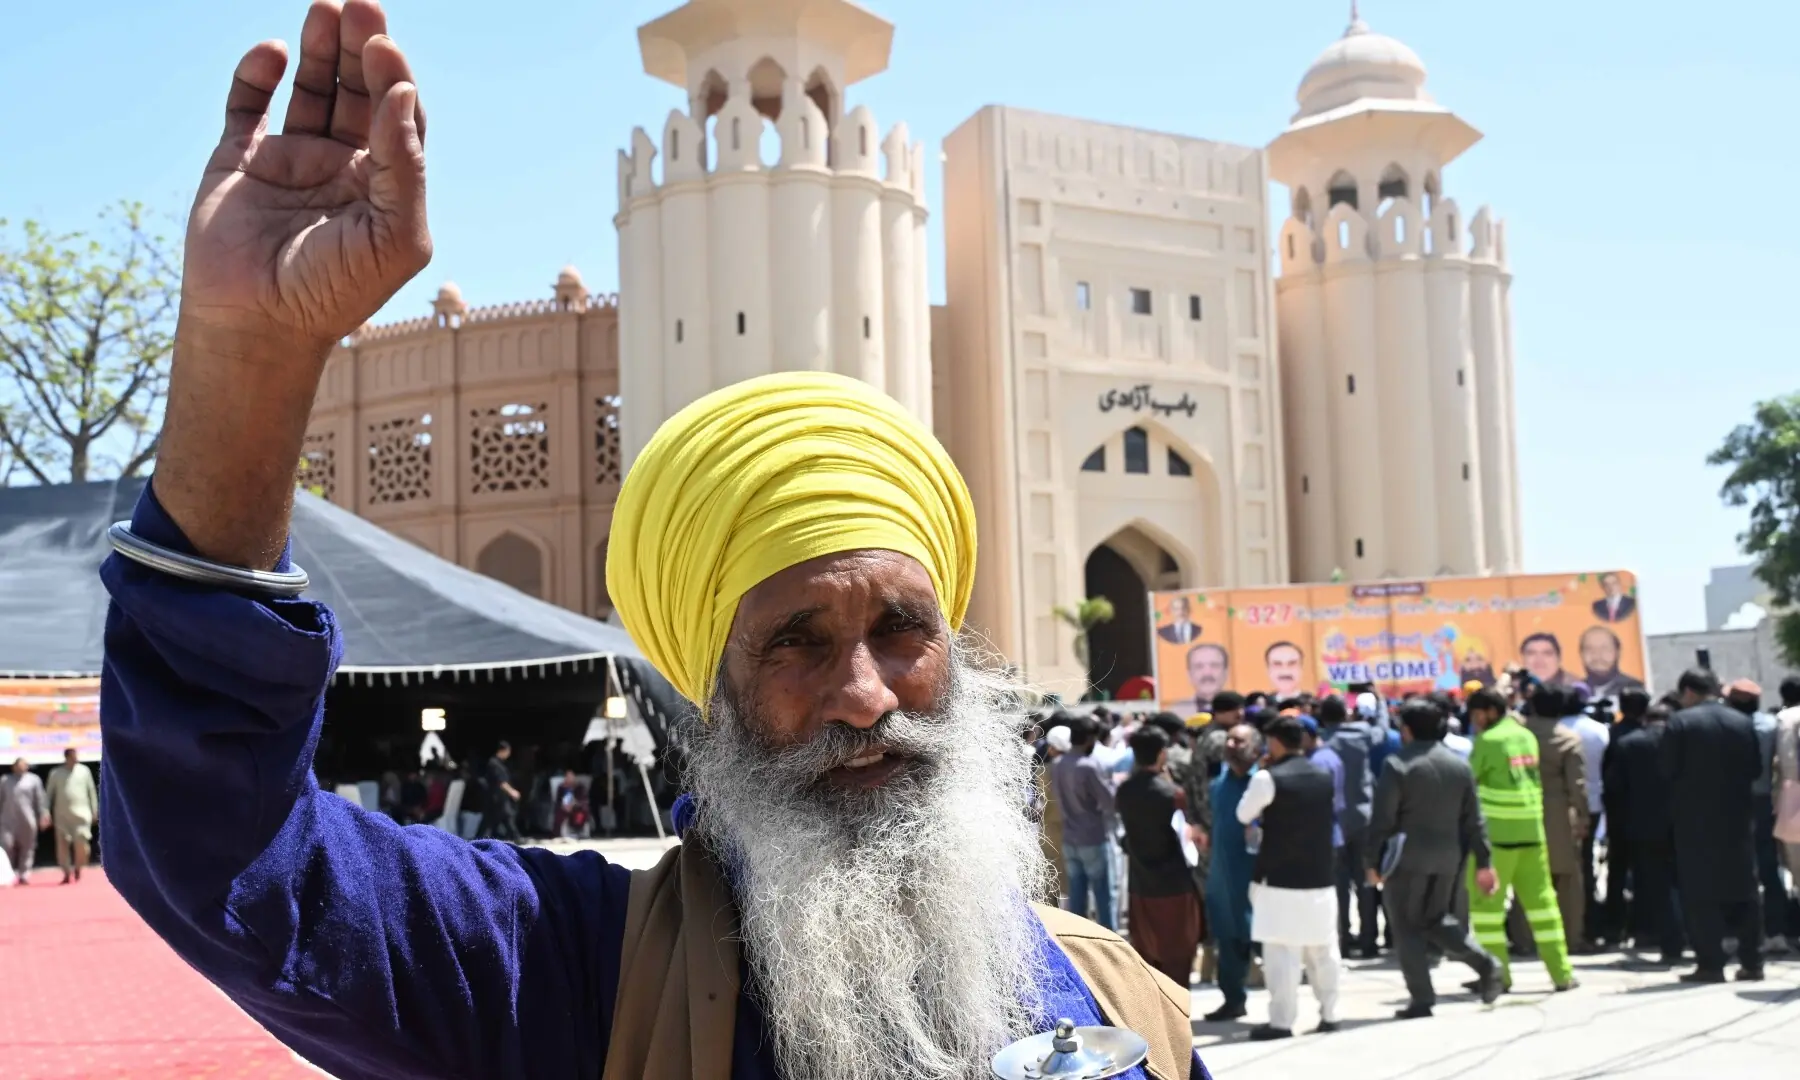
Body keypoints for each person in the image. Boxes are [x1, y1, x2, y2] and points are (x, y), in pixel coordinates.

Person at [93, 8, 1210, 1077]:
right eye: (796, 643)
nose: (865, 695)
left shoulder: (1117, 998)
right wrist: (252, 358)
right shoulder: (574, 975)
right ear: (705, 685)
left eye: (902, 631)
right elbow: (223, 854)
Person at [1367, 700, 1504, 1017]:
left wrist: (1372, 861)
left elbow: (1383, 819)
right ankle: (1485, 963)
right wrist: (1484, 861)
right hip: (1448, 858)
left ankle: (1421, 998)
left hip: (1406, 858)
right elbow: (1475, 820)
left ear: (1407, 730)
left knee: (1406, 926)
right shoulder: (1459, 766)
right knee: (1435, 919)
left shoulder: (1398, 765)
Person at [1235, 716, 1341, 1040]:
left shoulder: (1268, 778)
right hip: (1321, 874)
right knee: (1323, 951)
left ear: (1276, 742)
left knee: (1281, 954)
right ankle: (1331, 1014)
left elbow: (1243, 814)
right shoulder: (1323, 774)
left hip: (1279, 877)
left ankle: (1282, 1022)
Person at [1466, 688, 1578, 992]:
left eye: (1476, 715)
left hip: (1497, 840)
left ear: (1489, 711)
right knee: (1543, 905)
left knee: (1487, 910)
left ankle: (1498, 976)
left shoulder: (1488, 741)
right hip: (1532, 833)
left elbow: (1469, 782)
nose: (1474, 722)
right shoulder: (1526, 735)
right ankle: (1562, 973)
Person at [1662, 669, 1764, 982]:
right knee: (1745, 888)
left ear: (1689, 692)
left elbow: (1666, 770)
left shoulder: (1679, 722)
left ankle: (1711, 963)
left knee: (1699, 893)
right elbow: (1756, 768)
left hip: (1693, 821)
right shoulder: (1741, 721)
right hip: (1737, 817)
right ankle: (1752, 961)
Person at [1116, 727, 1203, 987]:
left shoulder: (1124, 791)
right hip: (1174, 883)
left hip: (1140, 882)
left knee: (1146, 956)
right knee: (1178, 955)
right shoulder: (1173, 794)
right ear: (1162, 754)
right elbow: (1181, 834)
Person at [1604, 696, 1685, 962]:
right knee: (1685, 882)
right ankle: (1692, 938)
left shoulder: (1629, 744)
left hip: (1643, 825)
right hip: (1683, 823)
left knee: (1655, 883)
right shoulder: (1685, 743)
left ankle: (1666, 941)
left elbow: (1614, 788)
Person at [1521, 687, 1592, 953]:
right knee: (1567, 879)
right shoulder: (1568, 739)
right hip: (1558, 812)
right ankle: (1571, 937)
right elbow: (1577, 784)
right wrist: (1582, 816)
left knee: (1526, 876)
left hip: (1523, 808)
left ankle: (1525, 939)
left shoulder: (1520, 734)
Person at [1202, 723, 1261, 1023]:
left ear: (1254, 747)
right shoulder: (1219, 784)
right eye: (1229, 739)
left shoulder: (1262, 783)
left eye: (1239, 740)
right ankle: (1233, 999)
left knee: (1263, 939)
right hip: (1224, 879)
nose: (1231, 744)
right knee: (1228, 939)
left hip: (1257, 877)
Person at [1733, 680, 1792, 953]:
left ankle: (1739, 932)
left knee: (1738, 868)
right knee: (1771, 869)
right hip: (1768, 800)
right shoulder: (1771, 725)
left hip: (1736, 803)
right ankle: (1776, 930)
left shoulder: (1730, 726)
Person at [1320, 695, 1380, 958]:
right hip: (1363, 816)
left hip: (1334, 822)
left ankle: (1342, 939)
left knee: (1339, 885)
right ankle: (1369, 940)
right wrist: (1378, 699)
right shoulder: (1361, 735)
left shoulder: (1321, 743)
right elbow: (1381, 728)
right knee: (1365, 881)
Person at [1051, 714, 1119, 931]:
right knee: (1104, 899)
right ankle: (1112, 950)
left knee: (1077, 900)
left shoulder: (1058, 764)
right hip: (1093, 837)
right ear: (1090, 739)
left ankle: (1079, 949)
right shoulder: (1088, 766)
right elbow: (1110, 802)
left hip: (1070, 838)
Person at [45, 748, 100, 883]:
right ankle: (66, 872)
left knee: (82, 843)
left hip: (82, 814)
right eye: (73, 756)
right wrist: (46, 812)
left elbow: (91, 791)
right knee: (62, 845)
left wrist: (95, 810)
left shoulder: (84, 771)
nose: (76, 758)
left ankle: (78, 867)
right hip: (62, 815)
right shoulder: (55, 773)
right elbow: (48, 795)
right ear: (67, 757)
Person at [1, 758, 49, 885]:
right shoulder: (5, 780)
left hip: (28, 819)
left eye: (23, 765)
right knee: (6, 846)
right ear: (13, 767)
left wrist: (43, 815)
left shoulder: (34, 780)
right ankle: (7, 873)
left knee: (27, 848)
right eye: (18, 765)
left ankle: (24, 874)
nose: (21, 767)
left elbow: (40, 800)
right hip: (7, 820)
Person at [1578, 626, 1643, 700]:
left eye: (1604, 648)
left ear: (1617, 652)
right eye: (1589, 649)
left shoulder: (1634, 690)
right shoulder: (1575, 693)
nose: (1597, 655)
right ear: (1581, 654)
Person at [479, 741, 522, 841]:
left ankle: (481, 838)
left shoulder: (498, 763)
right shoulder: (494, 764)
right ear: (503, 750)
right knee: (506, 817)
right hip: (497, 797)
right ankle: (516, 838)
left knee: (490, 822)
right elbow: (501, 782)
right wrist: (512, 792)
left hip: (498, 797)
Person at [1177, 643, 1230, 713]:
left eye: (1214, 665)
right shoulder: (1175, 715)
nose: (1207, 673)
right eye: (1199, 666)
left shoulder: (1244, 711)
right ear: (1189, 675)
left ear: (1226, 672)